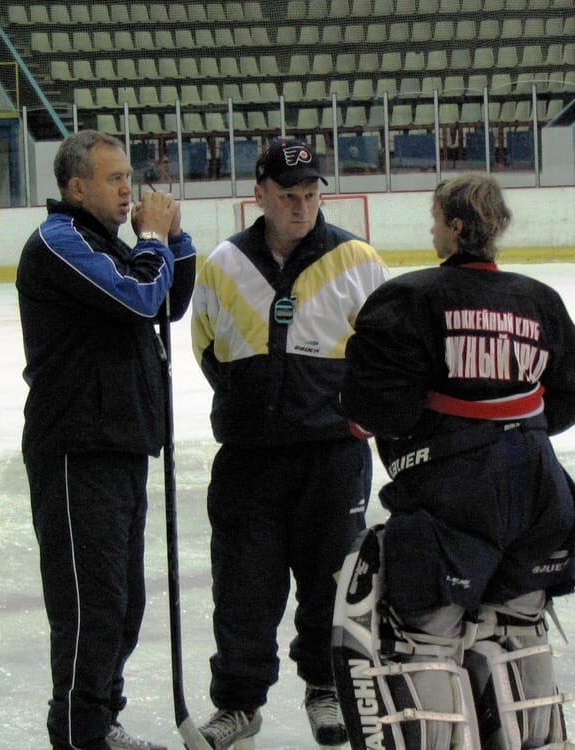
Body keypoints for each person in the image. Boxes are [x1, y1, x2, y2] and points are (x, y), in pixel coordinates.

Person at [338, 174, 575, 749]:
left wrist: (455, 435)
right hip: (542, 490)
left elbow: (373, 404)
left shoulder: (411, 297)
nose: (432, 229)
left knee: (427, 637)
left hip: (453, 497)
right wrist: (509, 430)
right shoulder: (539, 300)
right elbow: (572, 395)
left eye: (436, 219)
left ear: (455, 226)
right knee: (518, 629)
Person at [190, 139, 389, 749]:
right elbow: (205, 346)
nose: (301, 207)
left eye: (310, 195)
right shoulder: (223, 263)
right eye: (288, 196)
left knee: (330, 584)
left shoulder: (357, 260)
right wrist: (253, 406)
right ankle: (239, 705)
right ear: (260, 195)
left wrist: (347, 414)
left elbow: (384, 352)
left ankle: (325, 689)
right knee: (244, 587)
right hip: (249, 460)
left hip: (332, 457)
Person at [16, 129, 196, 750]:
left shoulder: (107, 244)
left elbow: (169, 301)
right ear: (76, 187)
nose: (129, 188)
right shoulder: (59, 242)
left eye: (129, 177)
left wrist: (173, 239)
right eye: (115, 179)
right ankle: (78, 734)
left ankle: (100, 720)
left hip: (121, 442)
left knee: (123, 604)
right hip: (76, 448)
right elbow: (140, 297)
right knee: (89, 607)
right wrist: (151, 242)